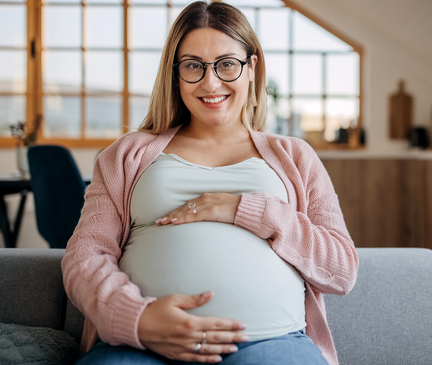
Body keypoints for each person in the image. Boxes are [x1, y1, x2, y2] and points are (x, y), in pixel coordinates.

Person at [62, 1, 358, 364]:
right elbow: (84, 257)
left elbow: (341, 270)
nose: (210, 82)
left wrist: (247, 209)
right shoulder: (127, 154)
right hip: (141, 346)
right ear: (175, 74)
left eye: (227, 64)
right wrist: (137, 319)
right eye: (193, 66)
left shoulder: (295, 156)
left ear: (252, 68)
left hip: (271, 343)